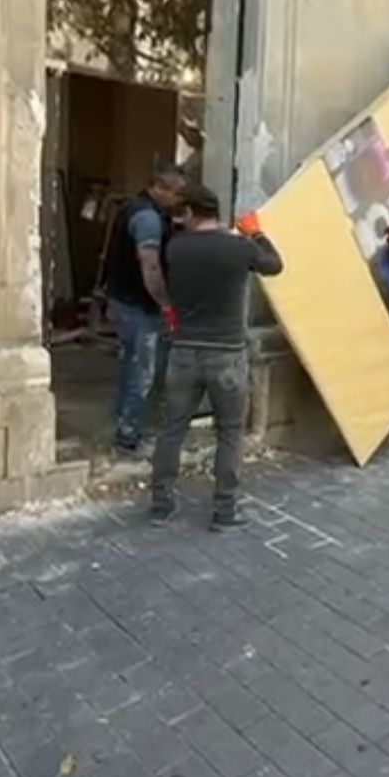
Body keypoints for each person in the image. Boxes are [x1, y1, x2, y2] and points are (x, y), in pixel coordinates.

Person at [150, 185, 283, 529]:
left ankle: (161, 504)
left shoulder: (176, 248)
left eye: (182, 213)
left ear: (193, 213)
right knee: (230, 432)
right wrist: (256, 233)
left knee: (172, 429)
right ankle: (224, 511)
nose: (179, 220)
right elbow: (274, 265)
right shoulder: (239, 248)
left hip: (184, 351)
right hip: (226, 354)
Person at [103, 167, 189, 452]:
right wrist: (165, 304)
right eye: (176, 193)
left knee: (134, 365)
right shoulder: (147, 219)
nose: (179, 200)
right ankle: (128, 435)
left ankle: (128, 425)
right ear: (159, 188)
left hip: (125, 301)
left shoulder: (137, 209)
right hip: (137, 306)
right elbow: (150, 266)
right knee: (142, 371)